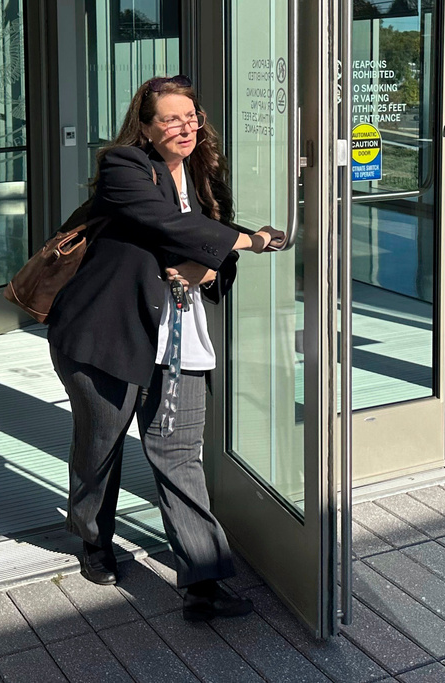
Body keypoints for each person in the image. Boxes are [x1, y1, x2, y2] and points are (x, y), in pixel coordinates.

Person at [47, 75, 283, 621]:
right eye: (171, 119)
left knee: (180, 459)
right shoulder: (124, 167)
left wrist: (210, 264)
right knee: (100, 449)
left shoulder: (204, 178)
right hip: (106, 334)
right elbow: (169, 226)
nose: (186, 127)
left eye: (192, 116)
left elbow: (204, 241)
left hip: (179, 341)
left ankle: (203, 582)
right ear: (146, 127)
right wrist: (248, 241)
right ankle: (93, 540)